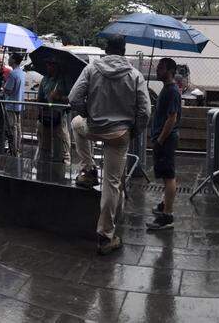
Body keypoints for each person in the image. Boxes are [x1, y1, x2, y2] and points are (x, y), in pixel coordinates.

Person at [69, 34, 150, 255]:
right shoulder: (135, 75)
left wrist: (88, 114)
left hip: (94, 128)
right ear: (124, 51)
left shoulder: (91, 69)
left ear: (106, 50)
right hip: (120, 135)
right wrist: (134, 131)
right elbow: (145, 111)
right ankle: (105, 236)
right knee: (112, 184)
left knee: (76, 124)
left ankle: (88, 168)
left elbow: (74, 98)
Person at [147, 58, 182, 231]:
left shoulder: (172, 91)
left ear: (170, 70)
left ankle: (167, 216)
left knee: (168, 175)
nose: (157, 69)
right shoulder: (167, 89)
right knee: (167, 174)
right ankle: (164, 204)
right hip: (163, 138)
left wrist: (160, 140)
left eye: (161, 67)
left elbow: (172, 118)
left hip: (166, 139)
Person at [36, 57, 73, 164]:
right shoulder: (45, 79)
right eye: (48, 64)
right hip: (46, 116)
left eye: (52, 64)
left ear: (57, 65)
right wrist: (41, 109)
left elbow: (71, 98)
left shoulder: (65, 79)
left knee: (61, 146)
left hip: (59, 117)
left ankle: (63, 169)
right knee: (44, 146)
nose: (49, 66)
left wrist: (59, 97)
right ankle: (44, 169)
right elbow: (40, 98)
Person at [1, 53, 26, 156]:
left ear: (14, 60)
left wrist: (3, 85)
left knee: (12, 128)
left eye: (10, 57)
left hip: (11, 104)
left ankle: (14, 149)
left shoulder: (13, 74)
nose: (9, 59)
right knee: (18, 127)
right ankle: (17, 148)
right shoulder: (22, 73)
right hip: (19, 103)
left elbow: (8, 90)